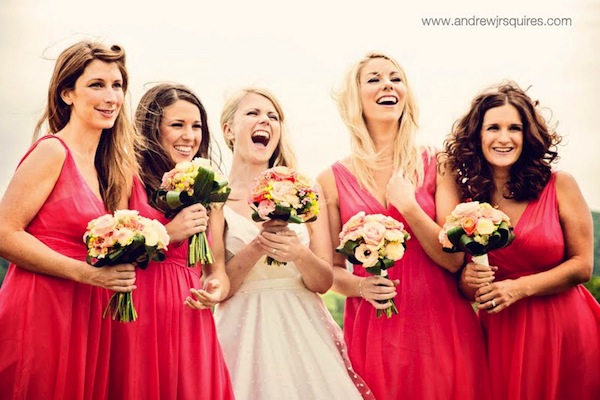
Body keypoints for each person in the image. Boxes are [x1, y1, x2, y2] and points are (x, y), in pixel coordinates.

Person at [317, 52, 491, 400]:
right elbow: (329, 272)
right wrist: (360, 287)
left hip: (440, 324)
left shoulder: (439, 164)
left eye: (395, 78)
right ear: (355, 98)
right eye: (374, 79)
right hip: (374, 330)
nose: (388, 85)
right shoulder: (329, 180)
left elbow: (454, 259)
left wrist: (409, 207)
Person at [200, 87, 373, 399]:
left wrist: (299, 253)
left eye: (273, 116)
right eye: (252, 113)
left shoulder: (306, 193)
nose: (265, 120)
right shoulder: (215, 200)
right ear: (228, 130)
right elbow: (219, 283)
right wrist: (258, 246)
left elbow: (323, 282)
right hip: (241, 333)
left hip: (303, 329)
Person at [443, 82, 600, 399]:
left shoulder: (559, 185)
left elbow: (582, 266)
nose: (504, 138)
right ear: (477, 136)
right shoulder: (466, 204)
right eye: (493, 128)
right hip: (503, 334)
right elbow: (468, 289)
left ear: (527, 136)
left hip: (564, 328)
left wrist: (519, 288)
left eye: (514, 128)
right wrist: (468, 280)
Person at [0, 40, 139, 399]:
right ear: (67, 94)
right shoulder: (52, 151)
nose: (111, 96)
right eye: (96, 85)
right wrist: (85, 273)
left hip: (89, 311)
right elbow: (4, 232)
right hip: (42, 309)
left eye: (117, 85)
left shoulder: (109, 168)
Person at [108, 83, 234, 399]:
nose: (189, 136)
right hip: (139, 313)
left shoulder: (211, 191)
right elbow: (109, 250)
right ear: (153, 129)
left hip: (191, 318)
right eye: (177, 125)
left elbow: (217, 270)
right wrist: (169, 233)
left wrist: (215, 291)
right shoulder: (126, 176)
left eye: (196, 127)